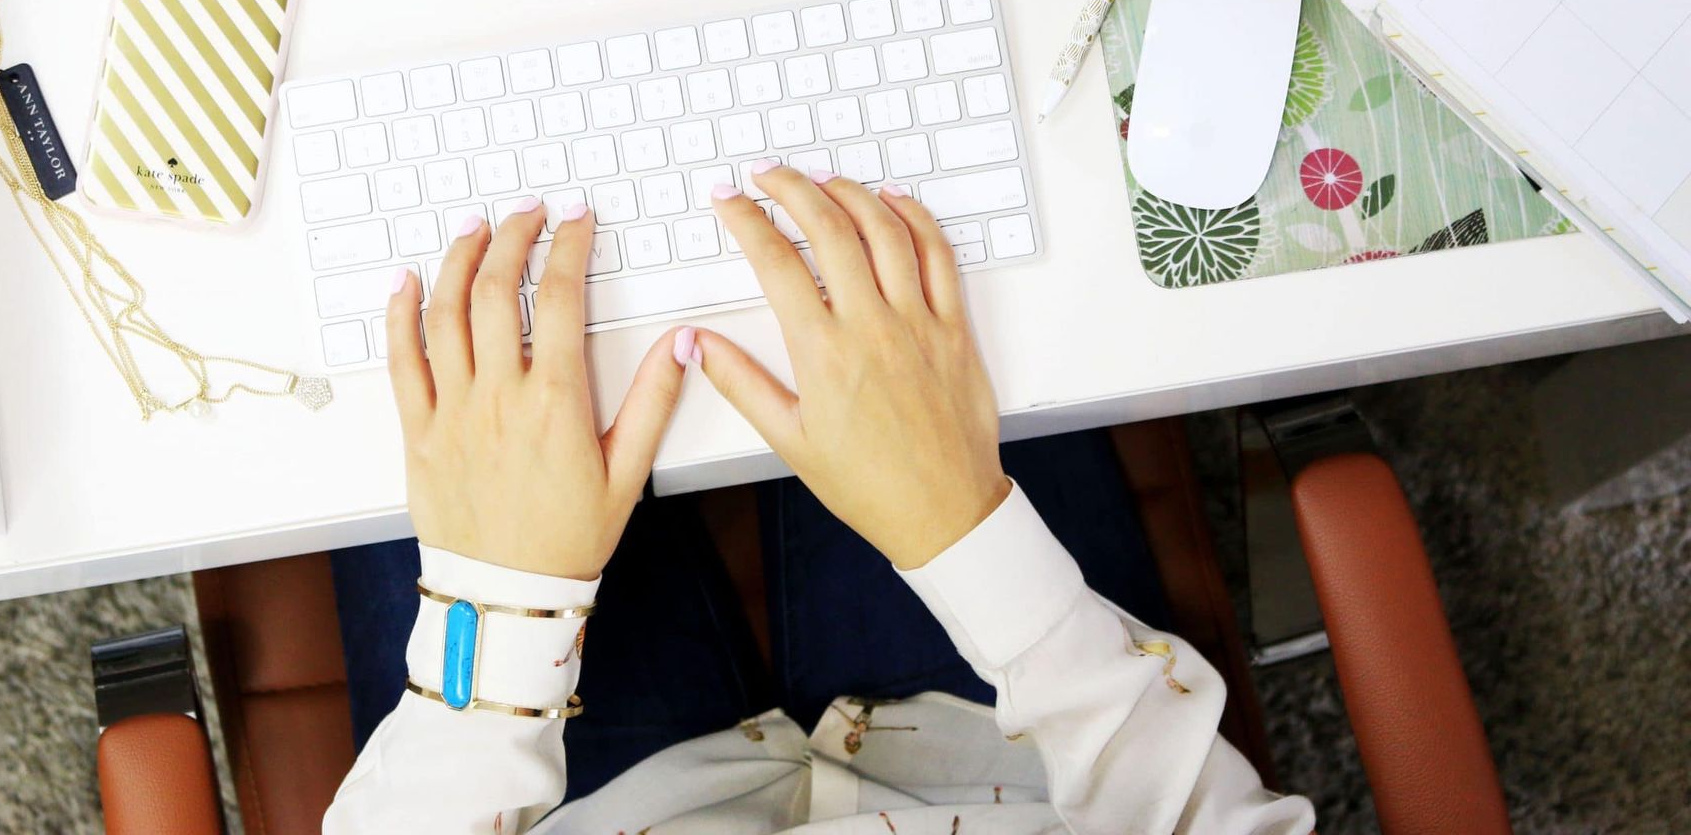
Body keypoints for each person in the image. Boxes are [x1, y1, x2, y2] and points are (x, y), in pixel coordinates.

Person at [323, 163, 1316, 834]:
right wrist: (965, 525)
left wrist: (496, 610)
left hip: (600, 797)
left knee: (403, 362)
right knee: (888, 221)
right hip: (1001, 753)